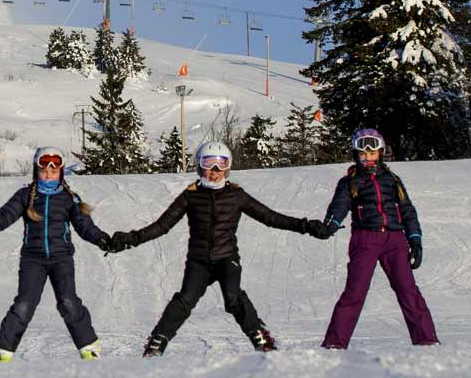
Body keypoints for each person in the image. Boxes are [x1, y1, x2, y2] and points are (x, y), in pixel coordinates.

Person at [108, 141, 329, 356]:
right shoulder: (190, 196)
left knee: (233, 297)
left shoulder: (236, 195)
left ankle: (260, 337)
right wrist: (131, 239)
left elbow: (270, 217)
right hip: (199, 261)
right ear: (199, 166)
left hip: (226, 258)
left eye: (220, 164)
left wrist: (306, 226)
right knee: (185, 299)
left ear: (228, 167)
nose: (214, 171)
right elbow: (162, 226)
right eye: (208, 164)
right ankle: (157, 342)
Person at [0, 147, 111, 362]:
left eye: (53, 172)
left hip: (61, 258)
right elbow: (5, 215)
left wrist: (102, 239)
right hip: (32, 259)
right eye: (44, 171)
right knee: (24, 303)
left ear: (60, 173)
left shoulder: (68, 198)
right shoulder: (25, 195)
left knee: (68, 301)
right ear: (36, 171)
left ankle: (89, 346)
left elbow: (85, 226)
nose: (49, 175)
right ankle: (3, 350)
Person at [318, 128, 438, 349]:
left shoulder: (392, 179)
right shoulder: (350, 181)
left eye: (372, 153)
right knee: (355, 292)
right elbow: (340, 206)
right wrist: (331, 225)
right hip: (365, 239)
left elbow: (407, 210)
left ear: (381, 153)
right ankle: (335, 344)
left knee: (407, 289)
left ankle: (426, 340)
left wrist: (415, 239)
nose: (368, 158)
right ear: (356, 155)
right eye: (363, 154)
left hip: (395, 239)